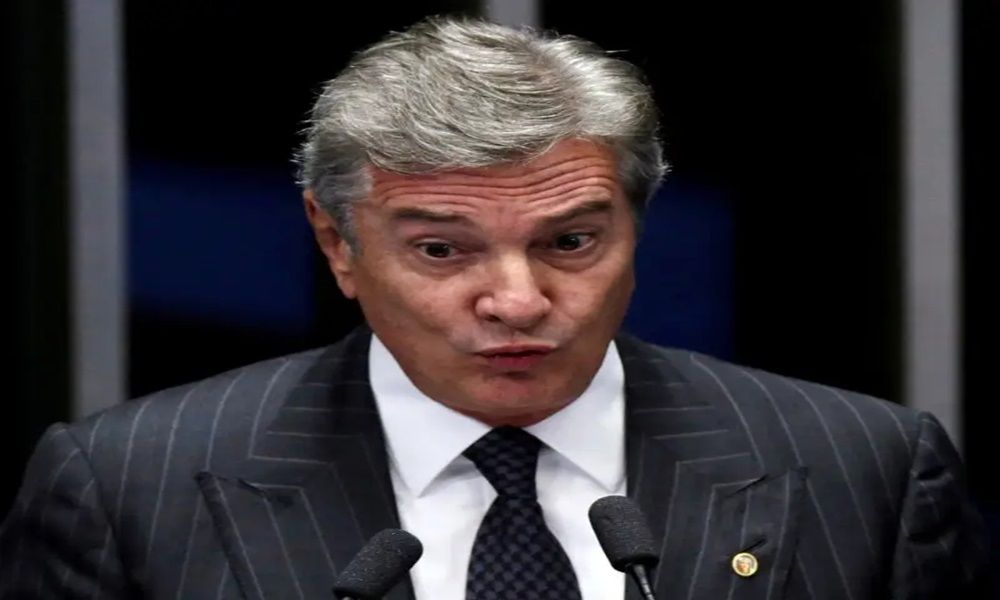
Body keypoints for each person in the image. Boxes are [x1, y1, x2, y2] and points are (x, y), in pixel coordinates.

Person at [0, 15, 991, 600]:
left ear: (636, 226)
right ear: (337, 243)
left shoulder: (863, 470)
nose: (517, 301)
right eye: (442, 250)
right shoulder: (129, 490)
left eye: (570, 242)